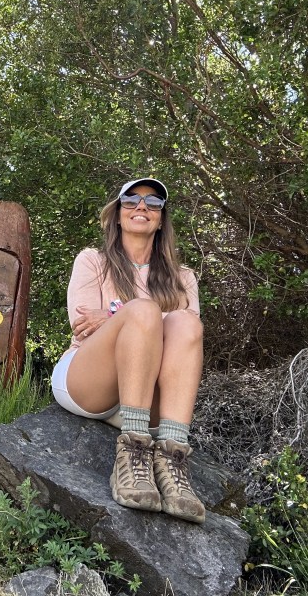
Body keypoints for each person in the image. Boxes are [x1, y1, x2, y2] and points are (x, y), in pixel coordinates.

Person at [51, 178, 206, 523]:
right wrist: (136, 314)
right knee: (148, 312)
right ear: (118, 214)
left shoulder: (184, 278)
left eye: (153, 203)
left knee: (186, 325)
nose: (142, 207)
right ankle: (133, 453)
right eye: (131, 200)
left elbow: (185, 340)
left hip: (146, 392)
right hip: (90, 382)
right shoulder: (93, 261)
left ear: (161, 219)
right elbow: (82, 326)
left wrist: (111, 313)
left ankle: (172, 461)